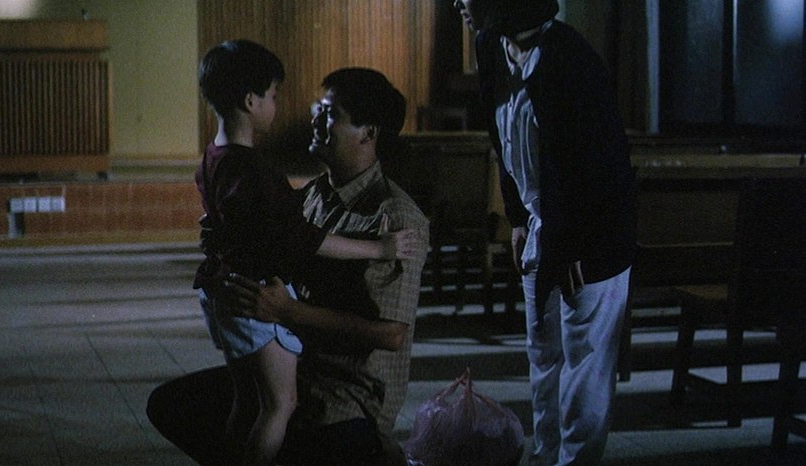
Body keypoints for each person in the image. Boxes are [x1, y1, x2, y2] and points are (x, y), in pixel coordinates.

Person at [147, 67, 429, 466]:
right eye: (318, 109)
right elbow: (269, 234)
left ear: (368, 133)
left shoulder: (395, 217)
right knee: (173, 405)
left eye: (329, 113)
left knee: (263, 420)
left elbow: (391, 334)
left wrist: (287, 311)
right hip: (296, 365)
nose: (315, 119)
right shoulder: (315, 194)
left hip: (343, 396)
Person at [454, 1, 636, 465]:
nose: (458, 3)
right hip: (542, 222)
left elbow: (600, 165)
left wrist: (575, 243)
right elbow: (502, 140)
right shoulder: (490, 45)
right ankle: (545, 454)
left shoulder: (572, 60)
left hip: (591, 234)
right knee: (543, 351)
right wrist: (518, 217)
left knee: (584, 364)